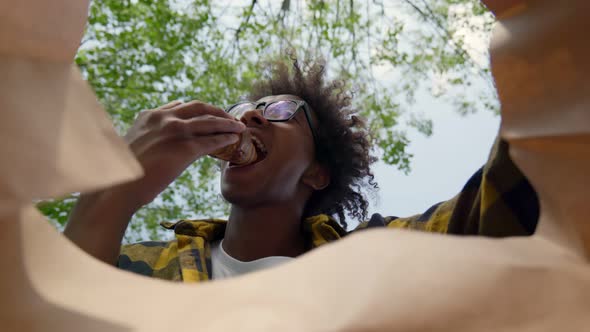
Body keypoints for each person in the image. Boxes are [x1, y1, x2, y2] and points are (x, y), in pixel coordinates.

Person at [64, 58, 539, 282]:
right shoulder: (138, 266)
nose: (247, 116)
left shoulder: (376, 260)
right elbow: (41, 308)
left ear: (317, 173)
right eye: (245, 108)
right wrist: (117, 188)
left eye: (279, 110)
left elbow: (514, 195)